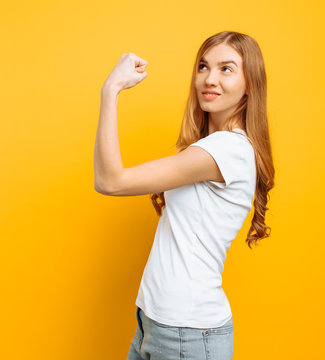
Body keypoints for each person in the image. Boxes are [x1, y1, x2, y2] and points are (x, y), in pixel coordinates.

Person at [94, 30, 275, 360]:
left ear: (250, 83)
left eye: (226, 69)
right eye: (204, 66)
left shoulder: (227, 149)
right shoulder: (213, 146)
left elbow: (111, 181)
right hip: (158, 322)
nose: (210, 78)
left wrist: (111, 90)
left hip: (187, 333)